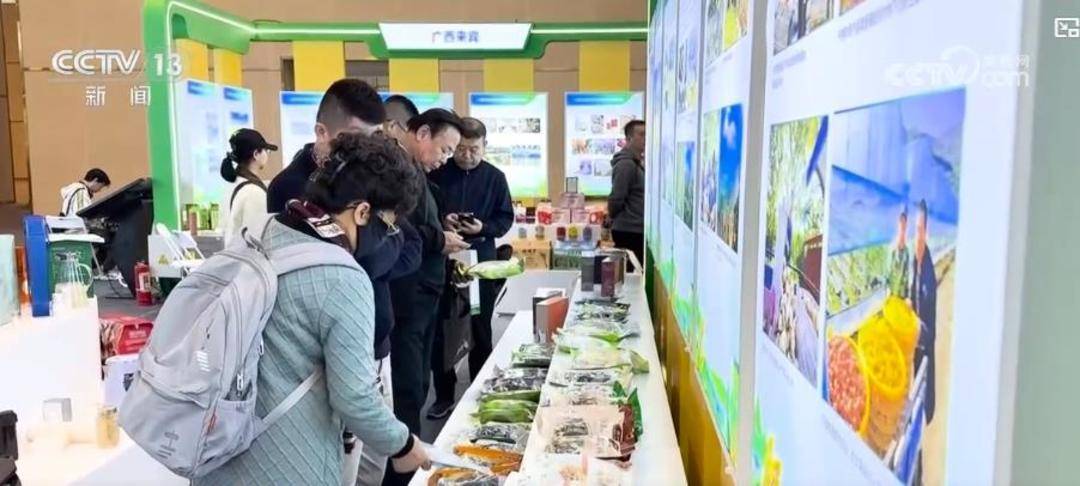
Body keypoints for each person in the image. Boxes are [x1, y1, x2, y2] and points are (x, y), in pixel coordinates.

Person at [196, 133, 429, 486]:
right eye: (389, 225)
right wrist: (404, 445)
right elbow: (355, 399)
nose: (389, 235)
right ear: (363, 212)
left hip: (219, 451)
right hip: (289, 463)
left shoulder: (264, 230)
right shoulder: (343, 277)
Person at [384, 109, 469, 486]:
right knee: (408, 386)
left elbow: (419, 222)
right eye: (444, 149)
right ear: (421, 134)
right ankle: (400, 471)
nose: (446, 159)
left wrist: (441, 226)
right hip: (408, 294)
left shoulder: (417, 173)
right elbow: (400, 229)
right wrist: (439, 238)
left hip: (425, 290)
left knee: (419, 382)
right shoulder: (396, 172)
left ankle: (408, 458)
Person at [427, 117, 514, 419]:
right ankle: (443, 396)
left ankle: (481, 388)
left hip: (481, 260)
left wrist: (483, 227)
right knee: (442, 327)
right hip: (444, 259)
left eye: (474, 149)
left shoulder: (495, 177)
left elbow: (505, 219)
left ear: (485, 146)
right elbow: (428, 213)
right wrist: (444, 221)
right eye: (461, 149)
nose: (466, 155)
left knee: (480, 327)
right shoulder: (438, 172)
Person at [267, 78, 385, 213]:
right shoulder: (288, 187)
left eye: (377, 136)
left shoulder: (377, 177)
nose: (370, 147)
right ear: (321, 132)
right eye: (357, 138)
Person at [220, 128, 277, 246]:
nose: (267, 154)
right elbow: (255, 238)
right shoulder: (253, 192)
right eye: (266, 150)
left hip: (232, 253)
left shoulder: (232, 184)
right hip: (247, 256)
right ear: (256, 154)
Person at [910, 200, 937, 424]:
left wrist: (916, 326)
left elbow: (930, 334)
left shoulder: (930, 276)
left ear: (926, 232)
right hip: (911, 342)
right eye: (914, 230)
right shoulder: (911, 262)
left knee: (920, 404)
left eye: (920, 230)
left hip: (922, 345)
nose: (916, 236)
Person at [608, 120, 646, 265]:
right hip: (629, 230)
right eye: (641, 134)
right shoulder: (626, 164)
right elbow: (617, 198)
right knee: (630, 273)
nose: (645, 138)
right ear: (629, 138)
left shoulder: (636, 162)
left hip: (635, 229)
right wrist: (614, 216)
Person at [888, 210, 911, 299]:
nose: (903, 227)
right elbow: (889, 273)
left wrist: (907, 296)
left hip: (903, 295)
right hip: (892, 294)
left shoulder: (907, 252)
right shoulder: (892, 250)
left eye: (904, 224)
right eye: (901, 223)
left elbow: (907, 274)